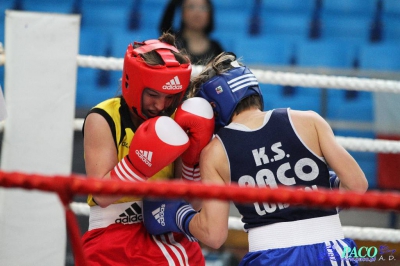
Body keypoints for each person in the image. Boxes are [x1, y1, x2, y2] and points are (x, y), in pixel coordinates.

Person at [143, 52, 369, 265]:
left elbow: (214, 235)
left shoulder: (215, 152)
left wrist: (177, 213)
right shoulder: (309, 121)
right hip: (331, 250)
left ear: (214, 107)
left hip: (270, 256)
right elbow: (357, 186)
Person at [81, 32, 214, 266]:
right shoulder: (103, 118)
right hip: (110, 237)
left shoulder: (178, 120)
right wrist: (139, 164)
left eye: (170, 97)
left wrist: (193, 163)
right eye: (153, 94)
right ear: (132, 82)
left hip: (166, 233)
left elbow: (193, 204)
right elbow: (101, 195)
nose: (160, 105)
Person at [159, 0, 224, 65]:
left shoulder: (216, 48)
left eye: (203, 7)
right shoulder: (172, 44)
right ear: (182, 13)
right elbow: (165, 27)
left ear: (210, 14)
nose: (197, 13)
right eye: (191, 7)